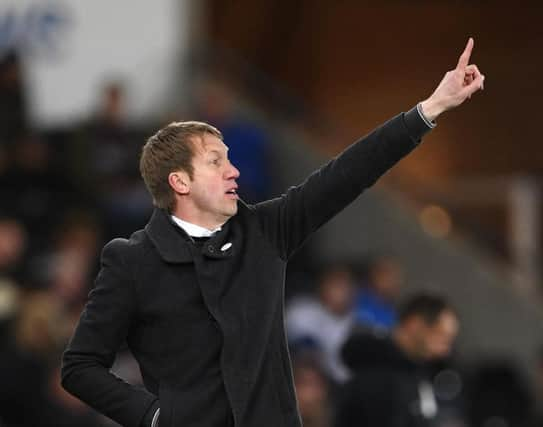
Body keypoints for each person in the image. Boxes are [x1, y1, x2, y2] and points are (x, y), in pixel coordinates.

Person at [61, 38, 484, 427]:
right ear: (179, 182)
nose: (234, 171)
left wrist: (429, 109)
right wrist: (154, 416)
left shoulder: (265, 230)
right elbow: (80, 365)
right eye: (215, 162)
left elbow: (349, 172)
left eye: (229, 159)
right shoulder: (133, 261)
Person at [335, 294, 460, 427]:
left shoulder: (417, 373)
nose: (445, 351)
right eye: (441, 337)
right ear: (415, 325)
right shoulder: (376, 371)